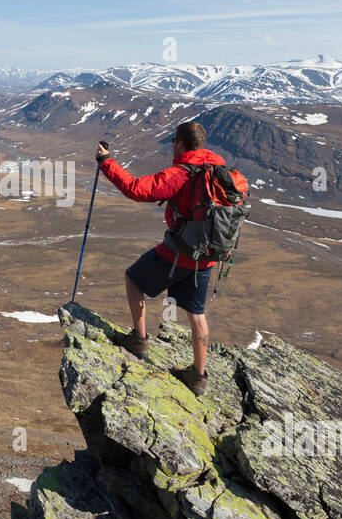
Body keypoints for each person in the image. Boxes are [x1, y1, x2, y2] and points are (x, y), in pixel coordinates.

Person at [94, 121, 247, 395]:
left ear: (180, 144)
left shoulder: (182, 173)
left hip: (181, 252)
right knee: (197, 314)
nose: (172, 145)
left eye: (174, 141)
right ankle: (198, 377)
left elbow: (136, 189)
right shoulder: (217, 168)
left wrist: (106, 161)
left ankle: (139, 341)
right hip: (208, 255)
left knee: (133, 279)